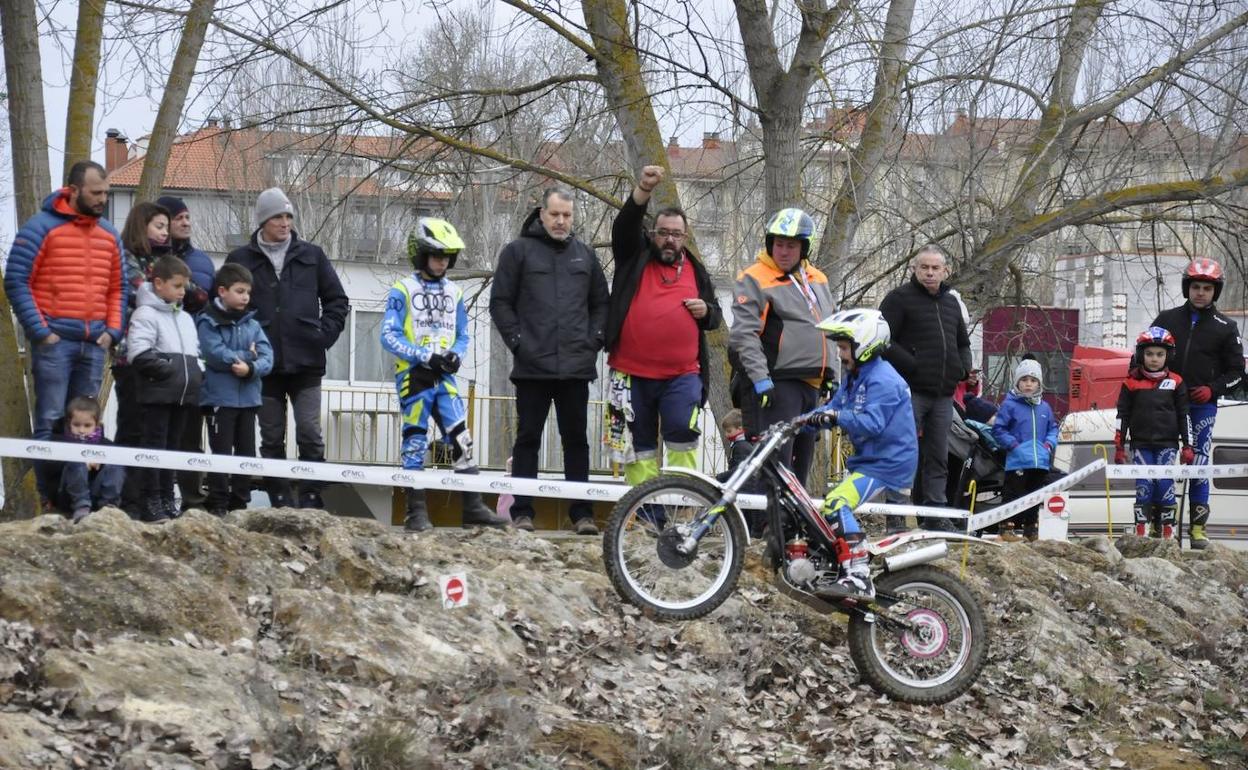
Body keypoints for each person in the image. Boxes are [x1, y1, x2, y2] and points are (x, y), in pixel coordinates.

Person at [4, 160, 125, 508]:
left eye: (106, 192)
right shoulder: (40, 228)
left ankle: (83, 502)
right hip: (54, 343)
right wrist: (41, 332)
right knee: (50, 421)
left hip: (94, 344)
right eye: (96, 192)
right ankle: (49, 502)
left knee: (88, 425)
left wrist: (112, 332)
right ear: (73, 190)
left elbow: (118, 289)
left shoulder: (109, 235)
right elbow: (17, 280)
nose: (103, 199)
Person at [489, 188, 610, 535]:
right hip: (532, 367)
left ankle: (582, 515)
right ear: (541, 213)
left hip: (576, 367)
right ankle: (522, 512)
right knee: (528, 439)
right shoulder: (517, 252)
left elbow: (602, 304)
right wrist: (518, 343)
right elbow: (500, 302)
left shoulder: (585, 255)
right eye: (555, 214)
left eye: (567, 215)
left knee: (577, 441)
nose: (560, 221)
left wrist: (593, 342)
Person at [225, 188, 349, 510]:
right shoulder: (240, 259)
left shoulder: (313, 255)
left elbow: (337, 300)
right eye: (277, 217)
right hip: (262, 365)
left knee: (309, 431)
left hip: (307, 361)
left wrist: (324, 334)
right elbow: (225, 306)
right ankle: (279, 497)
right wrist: (243, 344)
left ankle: (311, 496)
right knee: (271, 434)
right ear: (262, 221)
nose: (284, 223)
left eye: (288, 216)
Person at [382, 218, 509, 532]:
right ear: (420, 253)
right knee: (415, 439)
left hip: (445, 378)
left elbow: (463, 335)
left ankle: (473, 507)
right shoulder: (402, 290)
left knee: (461, 437)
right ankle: (415, 511)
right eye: (436, 255)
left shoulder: (455, 292)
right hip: (414, 377)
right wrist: (424, 355)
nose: (442, 262)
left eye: (447, 256)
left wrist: (456, 355)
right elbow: (389, 336)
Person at [604, 164, 722, 486]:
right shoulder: (634, 257)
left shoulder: (697, 270)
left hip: (682, 374)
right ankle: (643, 506)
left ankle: (683, 499)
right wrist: (644, 189)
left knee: (683, 430)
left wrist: (706, 311)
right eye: (663, 233)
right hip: (630, 373)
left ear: (685, 237)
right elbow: (624, 226)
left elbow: (715, 317)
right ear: (653, 234)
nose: (669, 239)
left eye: (676, 234)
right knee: (638, 445)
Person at [803, 309, 917, 601]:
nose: (840, 354)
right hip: (870, 460)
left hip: (888, 464)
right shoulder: (855, 377)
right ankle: (837, 566)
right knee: (821, 509)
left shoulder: (884, 379)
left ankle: (859, 576)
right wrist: (798, 422)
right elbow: (834, 407)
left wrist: (836, 416)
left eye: (844, 348)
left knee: (836, 502)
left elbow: (871, 423)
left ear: (864, 345)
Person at [728, 208, 837, 488]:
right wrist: (760, 379)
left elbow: (831, 326)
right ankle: (766, 516)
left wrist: (834, 373)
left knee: (800, 469)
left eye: (791, 246)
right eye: (778, 244)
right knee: (776, 466)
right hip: (778, 383)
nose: (784, 252)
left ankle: (792, 517)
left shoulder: (818, 278)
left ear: (804, 248)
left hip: (812, 385)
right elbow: (744, 335)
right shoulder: (755, 277)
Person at [1150, 258, 1244, 549]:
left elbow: (1237, 372)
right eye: (1195, 287)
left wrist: (1213, 389)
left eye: (1207, 288)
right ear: (1186, 288)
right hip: (1164, 405)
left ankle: (1198, 529)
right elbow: (1141, 356)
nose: (1200, 293)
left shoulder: (1226, 327)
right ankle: (1159, 525)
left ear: (1215, 291)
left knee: (1200, 462)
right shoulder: (1166, 319)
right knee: (1162, 460)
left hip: (1202, 405)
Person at [879, 245, 972, 531]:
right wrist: (912, 364)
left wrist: (962, 369)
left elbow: (963, 343)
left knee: (938, 457)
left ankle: (935, 514)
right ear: (914, 269)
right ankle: (895, 514)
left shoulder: (951, 304)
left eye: (935, 268)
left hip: (943, 395)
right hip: (909, 392)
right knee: (902, 452)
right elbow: (882, 340)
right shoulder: (898, 299)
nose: (930, 273)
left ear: (945, 271)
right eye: (924, 267)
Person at [125, 255, 203, 522]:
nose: (183, 292)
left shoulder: (185, 318)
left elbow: (194, 353)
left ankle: (168, 497)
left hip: (181, 395)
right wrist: (169, 372)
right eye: (177, 285)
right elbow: (138, 352)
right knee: (154, 446)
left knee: (173, 447)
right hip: (157, 395)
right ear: (158, 283)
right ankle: (150, 499)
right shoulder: (145, 314)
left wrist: (196, 373)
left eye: (185, 286)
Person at [197, 264, 274, 517]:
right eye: (240, 291)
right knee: (221, 451)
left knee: (246, 452)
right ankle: (218, 501)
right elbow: (214, 353)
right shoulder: (208, 321)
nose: (245, 297)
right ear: (222, 291)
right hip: (220, 399)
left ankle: (240, 501)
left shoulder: (253, 325)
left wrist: (251, 369)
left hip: (249, 400)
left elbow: (267, 357)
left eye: (248, 292)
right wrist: (247, 356)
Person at [113, 201, 173, 515]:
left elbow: (193, 293)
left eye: (166, 227)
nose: (165, 233)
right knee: (132, 428)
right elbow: (145, 292)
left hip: (162, 356)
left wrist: (175, 288)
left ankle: (153, 499)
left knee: (156, 434)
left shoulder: (165, 261)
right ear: (141, 226)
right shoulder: (125, 257)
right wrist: (170, 289)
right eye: (159, 226)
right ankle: (128, 501)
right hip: (131, 356)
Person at [158, 195, 215, 512]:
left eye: (187, 217)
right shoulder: (147, 259)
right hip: (156, 356)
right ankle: (155, 498)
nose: (185, 222)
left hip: (190, 360)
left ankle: (193, 502)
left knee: (188, 436)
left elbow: (202, 303)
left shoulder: (201, 262)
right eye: (178, 217)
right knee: (155, 434)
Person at [1114, 328, 1195, 539]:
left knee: (1165, 485)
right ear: (1141, 354)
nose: (1154, 359)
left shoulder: (1176, 382)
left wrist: (1188, 446)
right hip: (1140, 445)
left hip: (1168, 445)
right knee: (1144, 486)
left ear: (1168, 355)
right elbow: (1122, 416)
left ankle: (1168, 533)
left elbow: (1184, 415)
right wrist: (1119, 446)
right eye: (1149, 354)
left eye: (1160, 354)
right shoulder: (1130, 382)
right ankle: (1141, 533)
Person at [991, 359, 1060, 541]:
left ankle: (1031, 529)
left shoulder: (1044, 407)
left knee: (1035, 497)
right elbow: (998, 429)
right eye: (1024, 379)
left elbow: (1053, 428)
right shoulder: (1010, 405)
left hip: (1040, 462)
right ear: (1017, 382)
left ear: (1039, 384)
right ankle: (1006, 528)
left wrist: (1048, 444)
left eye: (1033, 380)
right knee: (1013, 494)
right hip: (1017, 461)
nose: (1028, 384)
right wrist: (1014, 445)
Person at [55, 396, 125, 524]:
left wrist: (101, 462)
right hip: (70, 496)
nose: (81, 430)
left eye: (87, 425)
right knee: (76, 461)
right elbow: (51, 471)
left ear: (97, 425)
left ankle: (109, 507)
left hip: (97, 493)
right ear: (69, 423)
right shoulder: (60, 443)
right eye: (76, 425)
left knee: (116, 463)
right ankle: (81, 506)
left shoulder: (106, 445)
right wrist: (81, 461)